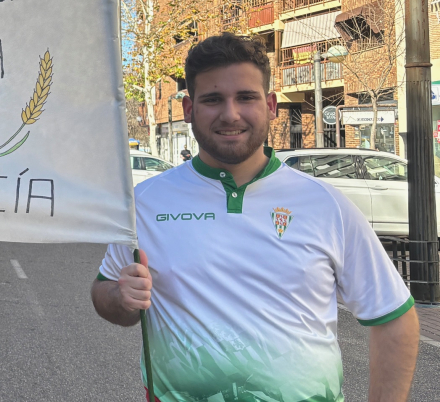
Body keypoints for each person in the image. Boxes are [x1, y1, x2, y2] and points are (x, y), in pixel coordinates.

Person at [91, 34, 418, 400]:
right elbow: (103, 292)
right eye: (213, 99)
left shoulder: (326, 205)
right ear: (188, 109)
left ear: (271, 105)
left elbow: (394, 317)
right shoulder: (145, 203)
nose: (230, 114)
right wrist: (120, 298)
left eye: (245, 97)